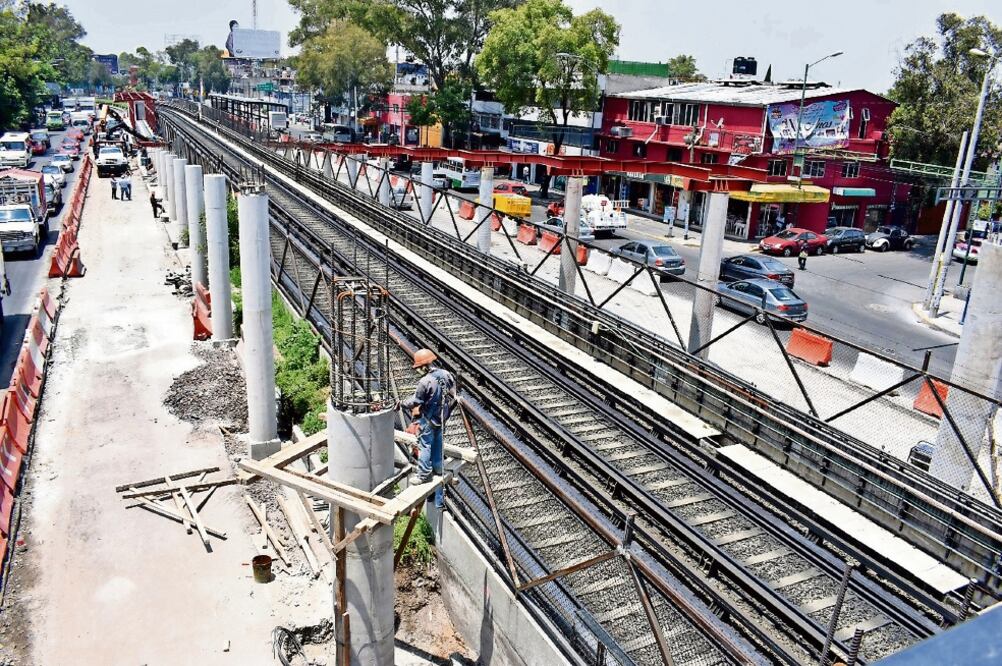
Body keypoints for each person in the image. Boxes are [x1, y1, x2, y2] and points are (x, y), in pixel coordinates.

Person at [400, 349, 457, 508]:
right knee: (438, 444)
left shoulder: (425, 382)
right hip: (441, 418)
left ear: (423, 366)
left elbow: (416, 401)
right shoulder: (446, 374)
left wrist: (402, 403)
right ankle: (439, 468)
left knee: (425, 445)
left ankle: (423, 474)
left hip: (428, 419)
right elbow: (453, 392)